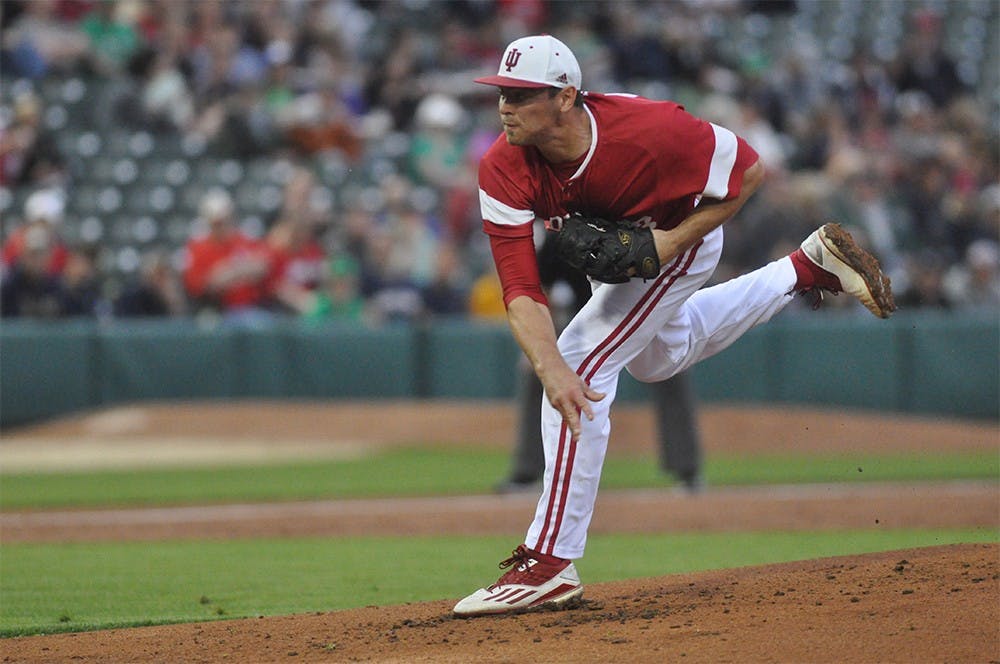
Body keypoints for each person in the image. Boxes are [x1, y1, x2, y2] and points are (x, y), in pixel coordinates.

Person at [454, 35, 895, 617]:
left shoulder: (649, 132)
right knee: (657, 357)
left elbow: (749, 170)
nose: (505, 106)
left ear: (564, 97)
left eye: (521, 94)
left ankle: (551, 563)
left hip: (680, 234)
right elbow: (520, 287)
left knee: (584, 360)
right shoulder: (502, 165)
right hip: (625, 254)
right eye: (501, 93)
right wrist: (547, 367)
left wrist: (666, 246)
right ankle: (805, 267)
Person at [498, 232, 704, 494]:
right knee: (539, 371)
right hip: (584, 321)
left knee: (672, 367)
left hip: (641, 313)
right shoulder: (561, 230)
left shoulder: (633, 219)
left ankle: (687, 469)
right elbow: (541, 288)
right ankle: (527, 471)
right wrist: (540, 351)